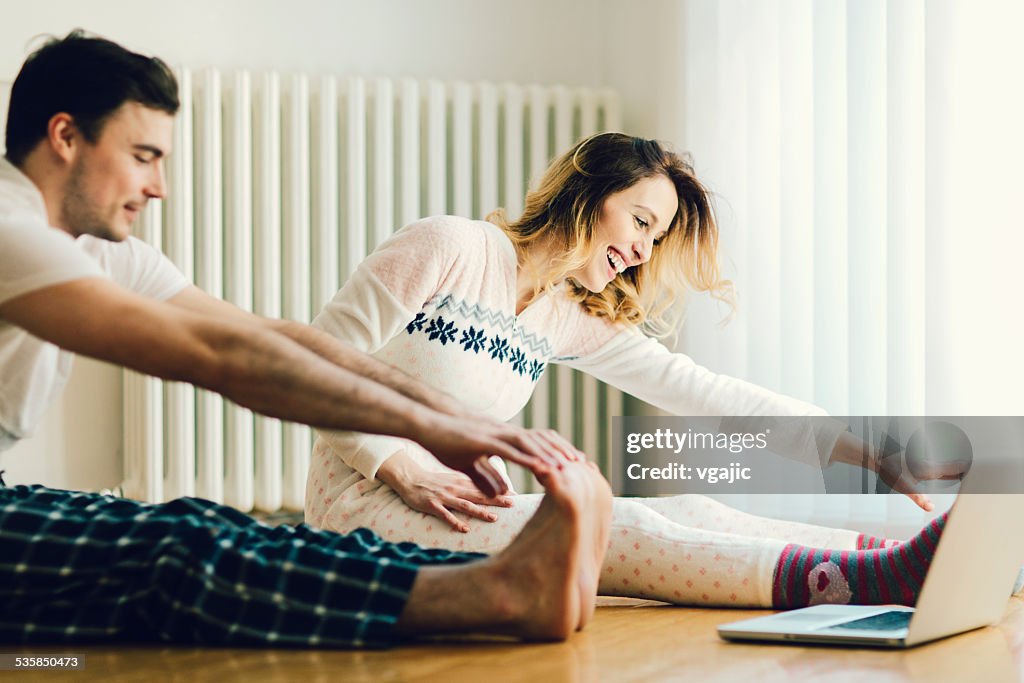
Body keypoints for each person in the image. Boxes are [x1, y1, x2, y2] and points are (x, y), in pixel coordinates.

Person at [0, 31, 612, 647]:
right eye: (142, 156)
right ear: (65, 137)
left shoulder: (91, 248)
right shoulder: (11, 230)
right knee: (179, 554)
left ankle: (496, 577)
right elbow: (224, 358)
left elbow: (269, 336)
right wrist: (431, 430)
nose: (159, 186)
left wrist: (451, 415)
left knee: (206, 524)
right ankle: (501, 592)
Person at [306, 131, 959, 610]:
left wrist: (868, 449)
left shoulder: (565, 315)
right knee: (626, 522)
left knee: (696, 509)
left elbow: (706, 395)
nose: (644, 249)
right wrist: (399, 464)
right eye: (642, 220)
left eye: (656, 235)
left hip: (458, 505)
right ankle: (856, 583)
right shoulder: (449, 247)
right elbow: (313, 365)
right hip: (360, 505)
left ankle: (894, 560)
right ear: (589, 189)